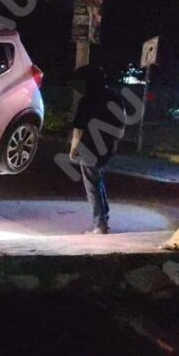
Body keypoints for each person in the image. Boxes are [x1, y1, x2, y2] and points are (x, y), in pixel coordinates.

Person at [69, 65, 127, 235]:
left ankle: (99, 224)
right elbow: (121, 123)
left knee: (92, 186)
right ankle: (103, 218)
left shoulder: (87, 100)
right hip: (107, 146)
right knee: (98, 180)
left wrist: (73, 148)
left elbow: (78, 128)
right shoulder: (115, 98)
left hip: (89, 147)